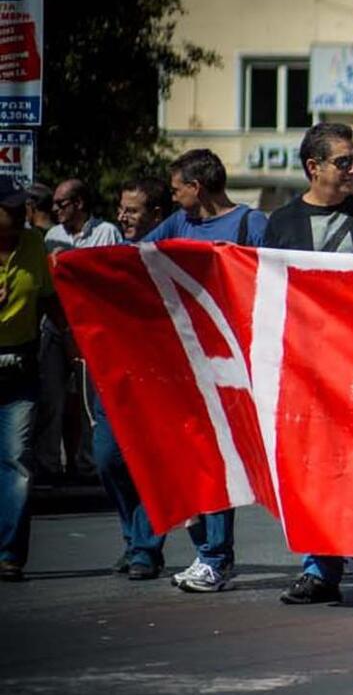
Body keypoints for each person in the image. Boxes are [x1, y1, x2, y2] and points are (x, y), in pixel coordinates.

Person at [97, 151, 264, 589]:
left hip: (229, 364)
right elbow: (137, 262)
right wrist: (86, 272)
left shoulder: (251, 225)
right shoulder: (178, 224)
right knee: (192, 459)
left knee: (219, 459)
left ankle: (215, 556)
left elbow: (270, 280)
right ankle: (208, 549)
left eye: (177, 189)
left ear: (198, 187)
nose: (172, 198)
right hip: (184, 363)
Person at [264, 122, 353, 606]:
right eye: (343, 161)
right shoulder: (282, 224)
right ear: (314, 167)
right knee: (315, 472)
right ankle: (320, 569)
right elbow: (268, 295)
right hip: (307, 373)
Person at [39, 179, 119, 481]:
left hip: (90, 327)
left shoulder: (107, 233)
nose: (55, 209)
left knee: (89, 400)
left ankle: (88, 464)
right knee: (51, 397)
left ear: (79, 203)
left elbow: (110, 279)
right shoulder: (52, 236)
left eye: (61, 203)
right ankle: (48, 464)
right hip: (57, 324)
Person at [0, 192, 50, 582]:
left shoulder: (35, 245)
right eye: (10, 211)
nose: (19, 217)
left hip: (20, 367)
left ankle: (9, 555)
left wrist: (75, 345)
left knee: (17, 461)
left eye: (23, 210)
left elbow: (49, 300)